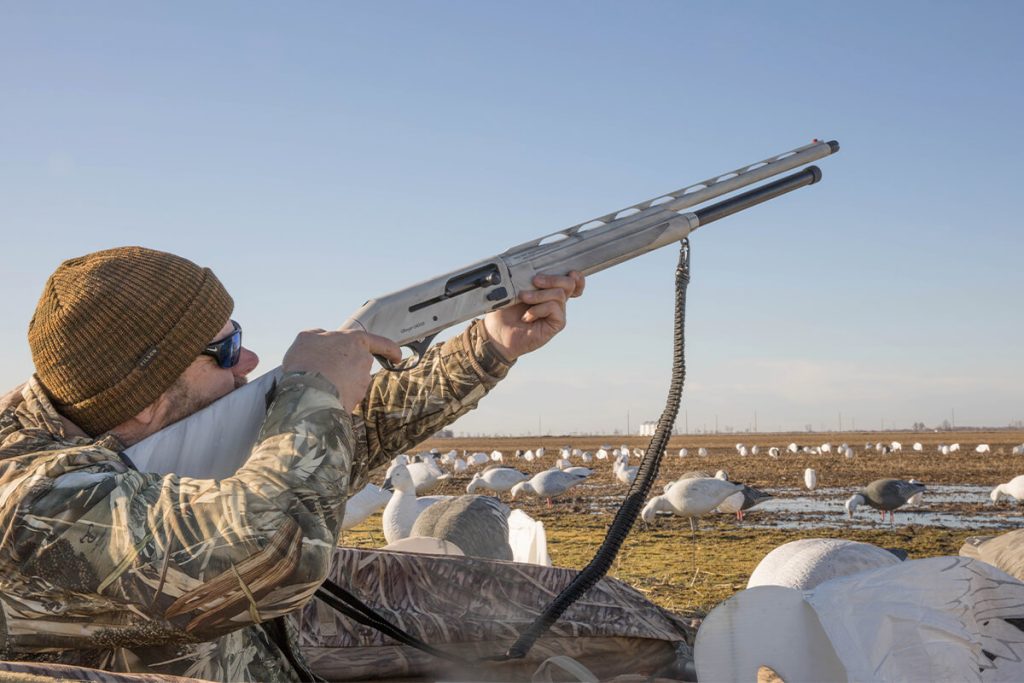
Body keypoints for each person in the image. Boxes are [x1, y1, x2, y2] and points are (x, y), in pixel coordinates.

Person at [0, 246, 584, 681]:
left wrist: (490, 343)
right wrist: (311, 391)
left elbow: (339, 443)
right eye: (225, 350)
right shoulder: (32, 498)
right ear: (149, 400)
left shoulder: (114, 422)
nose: (250, 358)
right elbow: (270, 550)